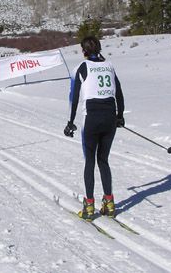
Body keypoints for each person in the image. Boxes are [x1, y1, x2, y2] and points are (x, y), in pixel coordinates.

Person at [64, 36, 125, 220]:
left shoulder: (82, 68)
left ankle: (89, 206)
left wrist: (70, 122)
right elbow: (119, 93)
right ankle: (109, 202)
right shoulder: (109, 66)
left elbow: (74, 98)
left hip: (91, 117)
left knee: (90, 161)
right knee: (103, 160)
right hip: (109, 117)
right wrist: (120, 116)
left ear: (84, 51)